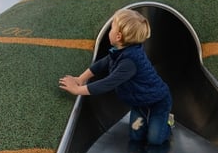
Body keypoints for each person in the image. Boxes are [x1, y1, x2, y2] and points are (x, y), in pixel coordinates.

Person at [59, 9, 173, 145]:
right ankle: (153, 123)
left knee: (154, 140)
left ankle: (167, 123)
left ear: (118, 36)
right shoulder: (120, 51)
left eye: (112, 28)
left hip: (158, 102)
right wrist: (80, 78)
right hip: (140, 103)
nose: (109, 30)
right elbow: (102, 63)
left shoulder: (129, 62)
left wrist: (78, 90)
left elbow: (107, 83)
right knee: (136, 136)